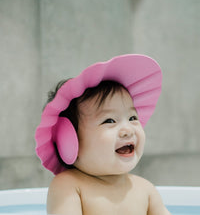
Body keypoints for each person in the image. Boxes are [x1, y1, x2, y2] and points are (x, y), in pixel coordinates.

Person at [35, 54, 171, 214]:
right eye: (110, 121)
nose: (128, 130)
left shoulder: (145, 190)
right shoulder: (69, 186)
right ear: (69, 141)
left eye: (132, 118)